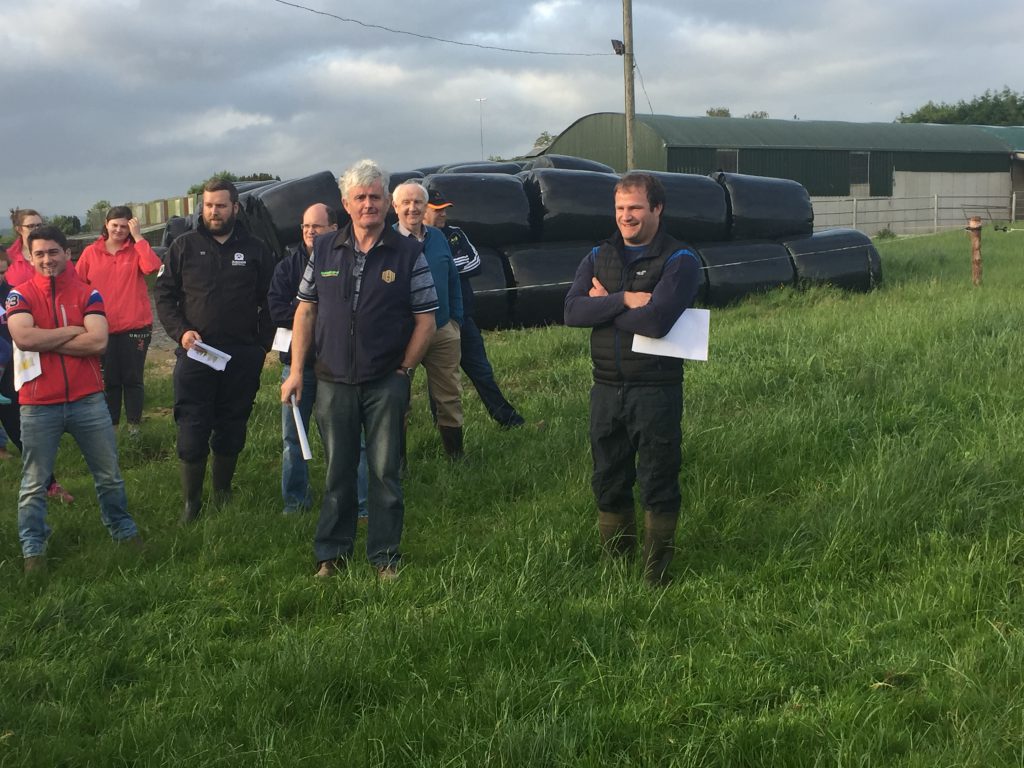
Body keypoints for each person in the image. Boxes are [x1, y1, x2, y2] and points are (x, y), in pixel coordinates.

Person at [282, 159, 437, 580]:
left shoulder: (408, 253)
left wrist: (404, 370)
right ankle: (331, 554)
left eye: (375, 197)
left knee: (385, 472)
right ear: (346, 204)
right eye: (360, 197)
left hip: (386, 380)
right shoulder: (326, 247)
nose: (368, 204)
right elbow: (306, 311)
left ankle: (385, 557)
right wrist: (297, 370)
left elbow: (427, 319)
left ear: (387, 203)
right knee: (338, 471)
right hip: (332, 379)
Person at [564, 172, 702, 585]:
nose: (627, 216)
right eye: (621, 208)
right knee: (608, 476)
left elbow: (657, 322)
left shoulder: (681, 260)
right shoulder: (596, 254)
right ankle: (615, 564)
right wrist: (623, 299)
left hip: (655, 390)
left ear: (656, 208)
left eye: (636, 208)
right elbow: (572, 312)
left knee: (658, 477)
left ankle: (654, 574)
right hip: (605, 387)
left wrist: (601, 305)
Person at [5, 226, 141, 572]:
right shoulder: (19, 296)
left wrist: (43, 338)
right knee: (34, 482)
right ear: (30, 257)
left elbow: (97, 343)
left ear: (68, 254)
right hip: (38, 403)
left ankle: (123, 531)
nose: (47, 259)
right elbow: (22, 335)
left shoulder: (88, 294)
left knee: (108, 474)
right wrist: (71, 332)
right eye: (40, 254)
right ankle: (33, 547)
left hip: (87, 400)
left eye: (54, 252)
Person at [154, 178, 275, 524]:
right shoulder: (184, 247)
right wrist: (180, 333)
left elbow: (271, 298)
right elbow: (163, 296)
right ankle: (191, 503)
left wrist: (260, 344)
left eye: (221, 205)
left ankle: (223, 492)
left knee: (232, 425)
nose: (214, 211)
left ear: (235, 208)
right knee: (192, 428)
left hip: (241, 356)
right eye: (208, 205)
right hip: (196, 354)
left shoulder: (255, 248)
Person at [268, 202, 367, 518]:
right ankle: (295, 503)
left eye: (318, 226)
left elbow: (354, 307)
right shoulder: (286, 267)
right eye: (306, 226)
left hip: (338, 365)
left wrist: (313, 312)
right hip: (295, 365)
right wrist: (316, 314)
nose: (311, 232)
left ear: (334, 228)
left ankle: (360, 502)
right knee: (292, 438)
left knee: (349, 436)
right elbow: (278, 311)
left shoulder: (350, 260)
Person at [423, 191, 525, 429]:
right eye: (438, 209)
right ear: (424, 210)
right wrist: (445, 265)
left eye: (444, 208)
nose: (443, 213)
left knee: (481, 370)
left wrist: (442, 266)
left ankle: (507, 419)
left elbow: (475, 262)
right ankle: (440, 426)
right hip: (427, 318)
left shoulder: (456, 234)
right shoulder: (414, 239)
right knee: (438, 375)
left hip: (462, 316)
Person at [392, 181, 465, 459]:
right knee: (398, 397)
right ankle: (398, 465)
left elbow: (453, 279)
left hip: (441, 329)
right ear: (395, 207)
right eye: (406, 203)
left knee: (449, 395)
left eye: (418, 202)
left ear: (425, 207)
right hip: (403, 334)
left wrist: (455, 320)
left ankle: (456, 457)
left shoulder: (438, 238)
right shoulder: (386, 241)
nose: (412, 208)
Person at [76, 206, 163, 434]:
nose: (119, 230)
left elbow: (153, 267)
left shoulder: (136, 250)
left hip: (135, 326)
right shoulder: (90, 253)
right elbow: (78, 286)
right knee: (110, 380)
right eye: (115, 225)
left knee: (133, 378)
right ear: (106, 224)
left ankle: (134, 427)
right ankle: (112, 427)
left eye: (124, 226)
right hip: (102, 328)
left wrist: (138, 237)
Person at [0, 248, 74, 501]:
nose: (0, 277)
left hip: (8, 373)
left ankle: (48, 484)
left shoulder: (12, 295)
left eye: (2, 271)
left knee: (20, 433)